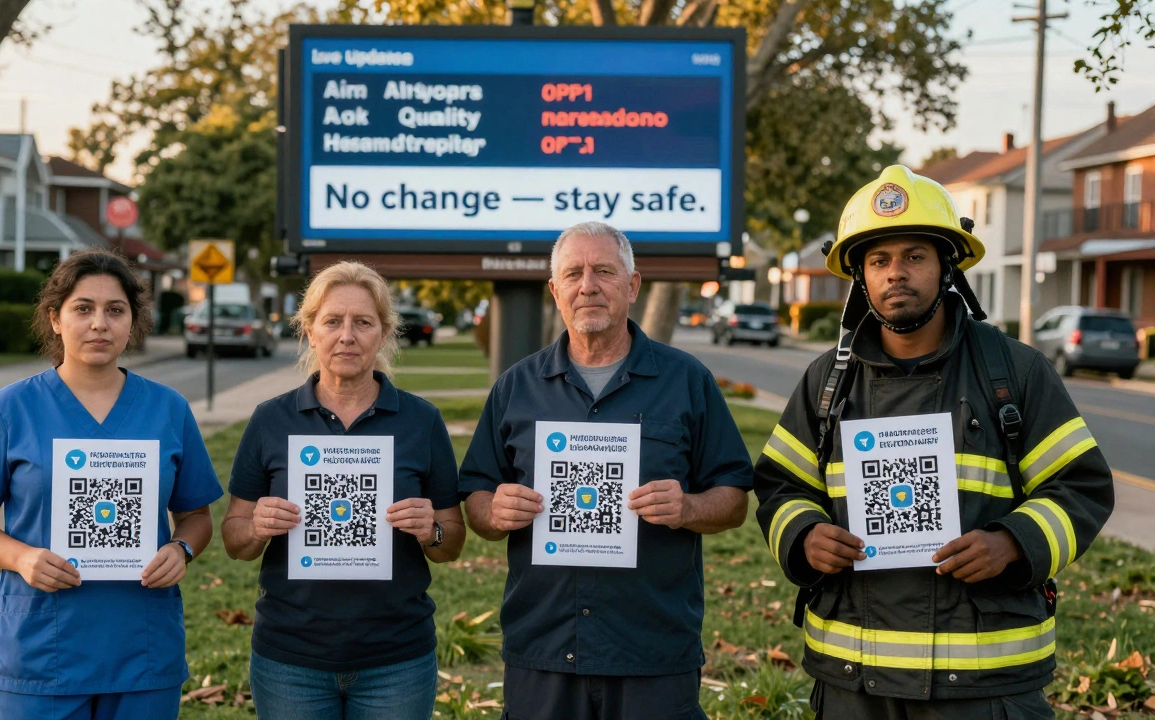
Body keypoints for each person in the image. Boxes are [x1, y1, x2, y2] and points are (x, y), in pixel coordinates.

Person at [754, 165, 1114, 719]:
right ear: (861, 277)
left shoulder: (1015, 373)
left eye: (914, 256)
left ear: (947, 265)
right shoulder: (827, 382)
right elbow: (780, 485)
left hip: (983, 684)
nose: (896, 273)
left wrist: (1014, 543)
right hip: (854, 679)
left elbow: (1081, 486)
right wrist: (803, 535)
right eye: (879, 260)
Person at [460, 222, 754, 720]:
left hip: (653, 652)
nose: (588, 285)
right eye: (573, 273)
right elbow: (476, 496)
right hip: (543, 647)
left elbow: (734, 498)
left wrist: (687, 507)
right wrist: (494, 510)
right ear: (555, 291)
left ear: (633, 286)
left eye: (603, 271)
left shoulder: (687, 382)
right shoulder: (516, 387)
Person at [0, 248, 224, 720]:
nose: (100, 323)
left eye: (115, 310)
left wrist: (181, 550)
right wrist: (22, 557)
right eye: (83, 308)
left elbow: (196, 516)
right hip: (40, 652)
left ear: (132, 322)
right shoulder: (10, 409)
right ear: (55, 319)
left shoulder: (168, 409)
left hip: (141, 648)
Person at [220, 261, 464, 720]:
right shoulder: (270, 420)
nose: (346, 336)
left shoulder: (422, 421)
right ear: (309, 330)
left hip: (397, 659)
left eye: (363, 323)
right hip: (290, 659)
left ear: (385, 333)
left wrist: (430, 530)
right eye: (332, 321)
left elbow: (451, 542)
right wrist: (256, 528)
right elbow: (234, 539)